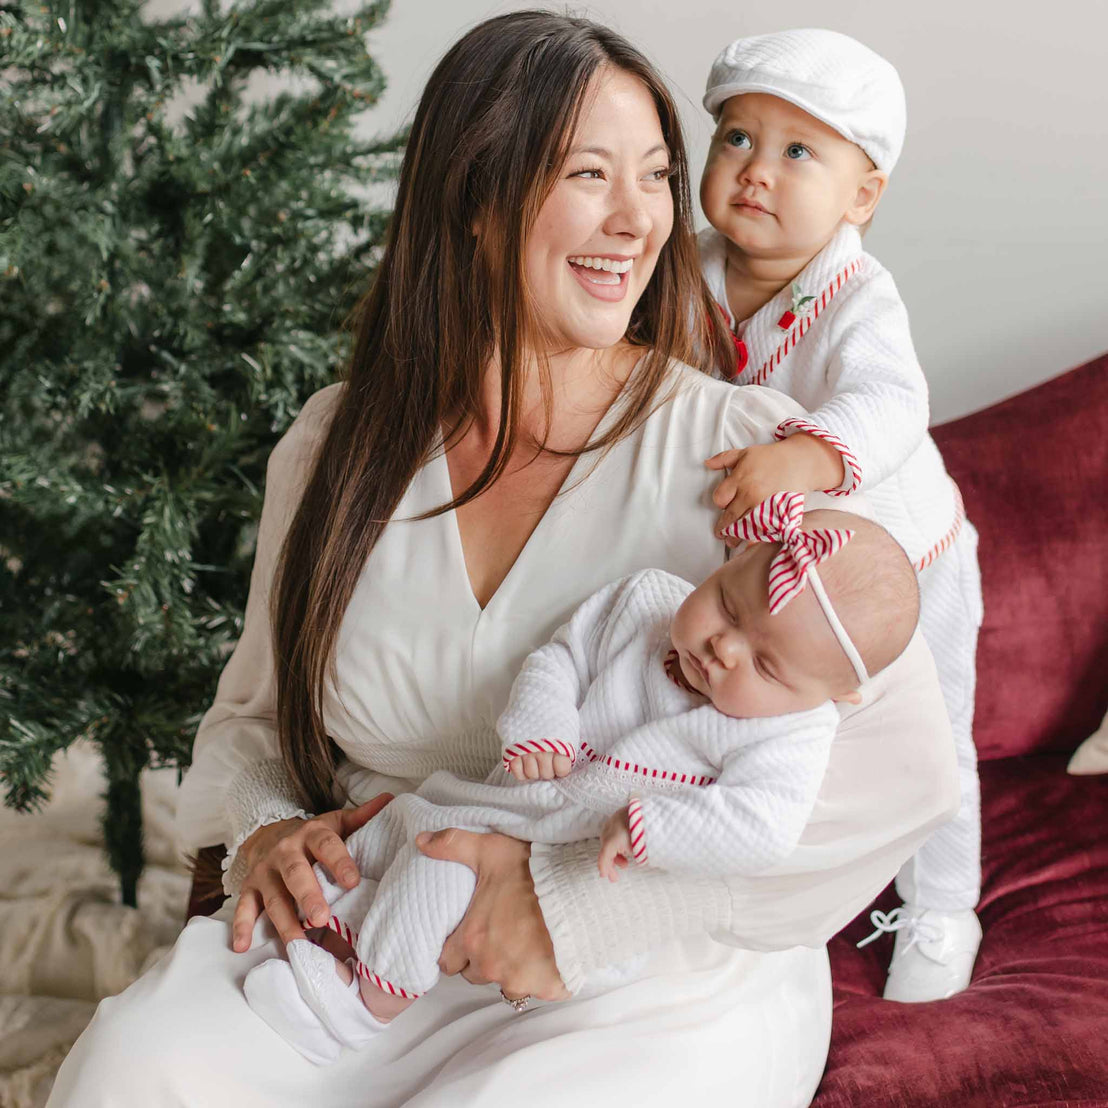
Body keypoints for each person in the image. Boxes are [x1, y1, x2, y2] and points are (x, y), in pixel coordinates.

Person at [47, 13, 957, 1107]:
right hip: (382, 911)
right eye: (589, 173)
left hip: (638, 970)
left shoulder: (742, 455)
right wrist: (266, 831)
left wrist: (578, 911)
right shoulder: (336, 448)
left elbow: (907, 775)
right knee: (132, 1070)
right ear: (475, 198)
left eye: (657, 176)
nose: (640, 220)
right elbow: (253, 721)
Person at [242, 496, 921, 1064]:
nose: (724, 647)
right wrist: (543, 722)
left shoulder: (789, 734)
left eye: (766, 666)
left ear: (829, 696)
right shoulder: (645, 602)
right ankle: (341, 923)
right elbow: (561, 659)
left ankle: (359, 1009)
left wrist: (653, 827)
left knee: (434, 868)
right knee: (394, 828)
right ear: (732, 559)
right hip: (494, 804)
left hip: (567, 873)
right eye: (728, 606)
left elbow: (762, 827)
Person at [695, 28, 985, 1002]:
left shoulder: (858, 296)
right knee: (786, 729)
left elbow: (891, 402)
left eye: (797, 151)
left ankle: (943, 904)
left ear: (862, 197)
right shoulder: (684, 274)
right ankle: (790, 885)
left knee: (931, 742)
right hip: (781, 572)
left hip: (907, 562)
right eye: (736, 138)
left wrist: (810, 454)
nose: (755, 171)